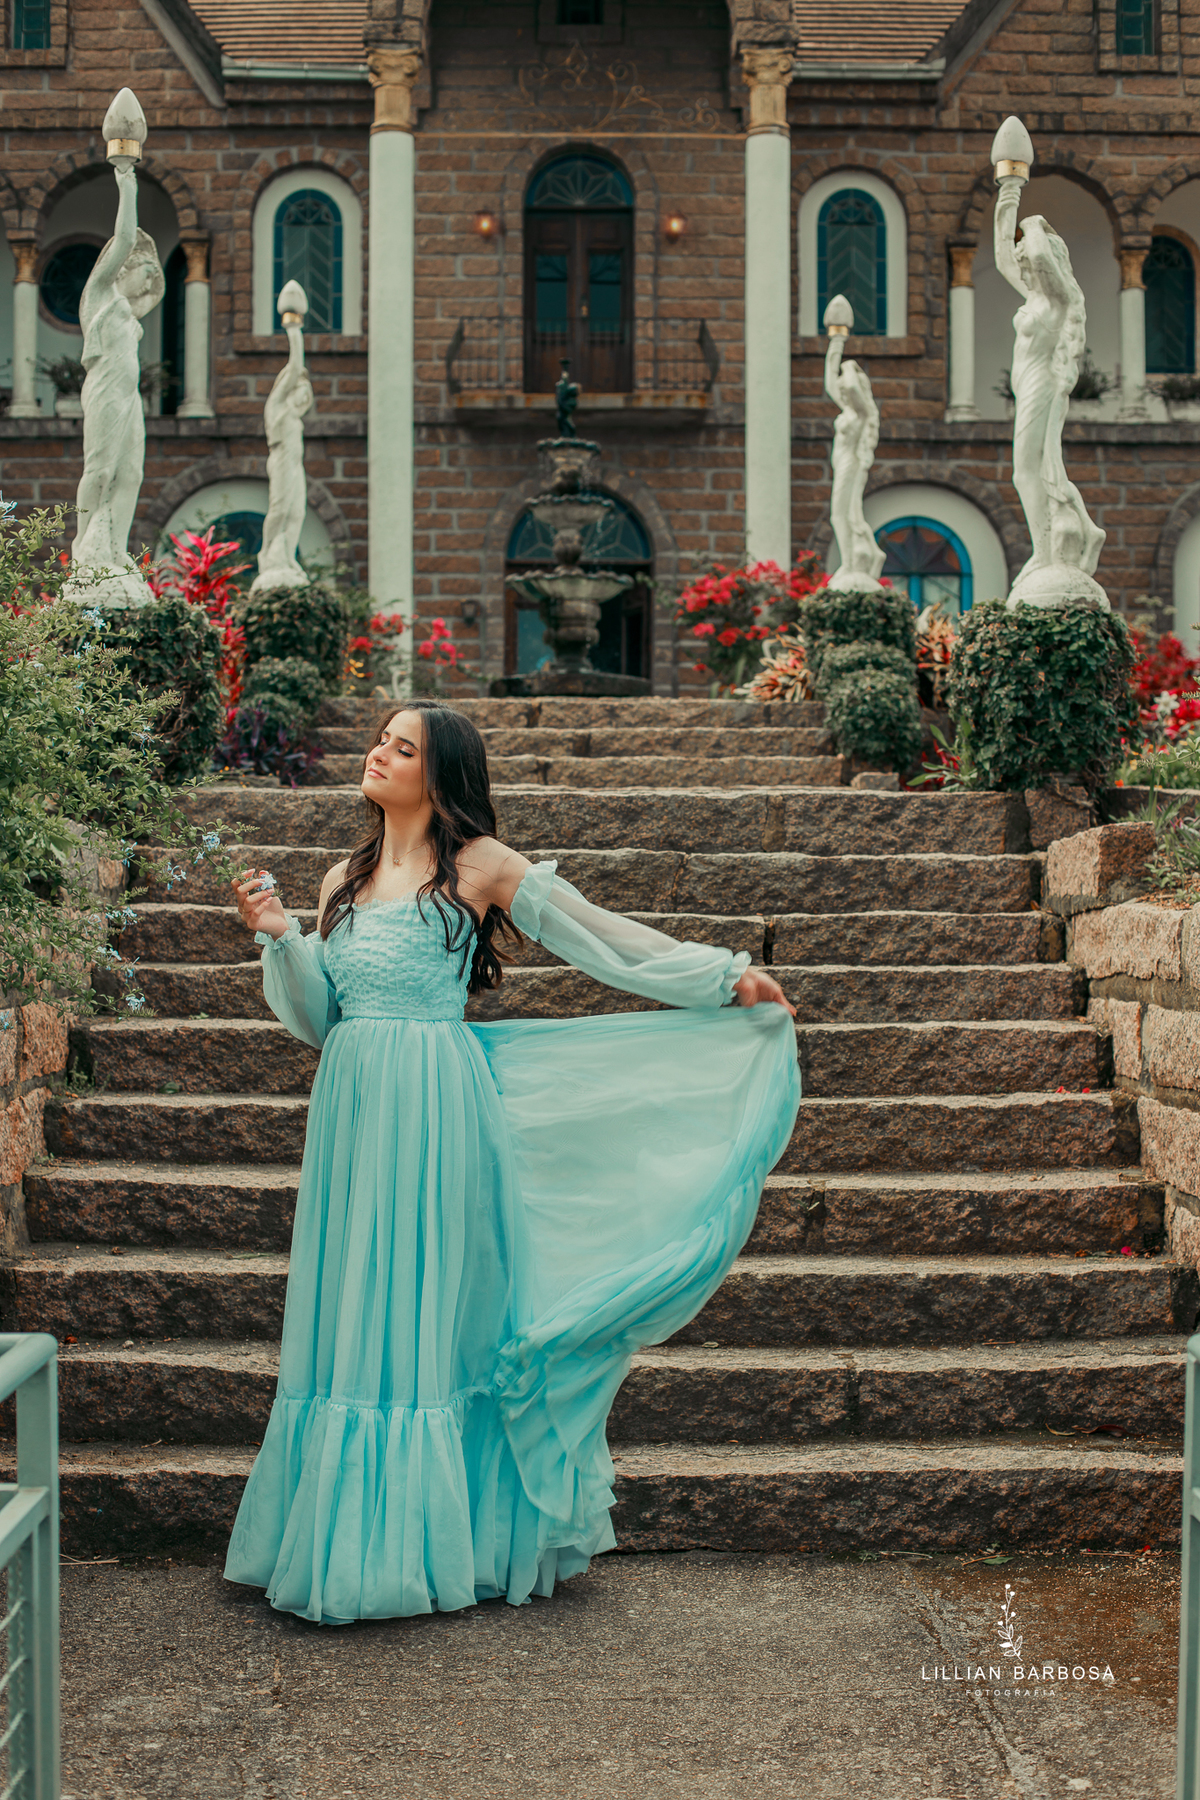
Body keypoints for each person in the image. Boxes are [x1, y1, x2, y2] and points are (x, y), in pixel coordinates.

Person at [222, 699, 801, 1624]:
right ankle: (347, 1536)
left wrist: (719, 976)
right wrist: (280, 936)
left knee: (432, 1313)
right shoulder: (342, 875)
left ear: (440, 774)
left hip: (439, 1109)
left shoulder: (483, 866)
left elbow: (598, 936)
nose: (379, 753)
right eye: (380, 739)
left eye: (401, 747)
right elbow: (319, 1019)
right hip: (354, 1112)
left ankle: (436, 1545)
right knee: (357, 1304)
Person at [993, 186, 1105, 585]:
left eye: (1029, 261)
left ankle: (1044, 553)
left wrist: (1031, 222)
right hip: (1025, 384)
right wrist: (1008, 196)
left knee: (1026, 471)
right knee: (1035, 468)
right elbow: (1003, 259)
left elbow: (1038, 253)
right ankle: (1081, 533)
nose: (1023, 265)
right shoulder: (1033, 296)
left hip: (1041, 384)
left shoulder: (1058, 301)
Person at [71, 165, 164, 592]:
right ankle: (85, 548)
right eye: (145, 273)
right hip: (106, 391)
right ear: (124, 268)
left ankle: (115, 549)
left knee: (131, 473)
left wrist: (152, 274)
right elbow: (125, 239)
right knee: (100, 469)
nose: (149, 284)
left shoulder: (129, 312)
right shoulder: (101, 293)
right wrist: (127, 187)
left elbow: (154, 294)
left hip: (130, 397)